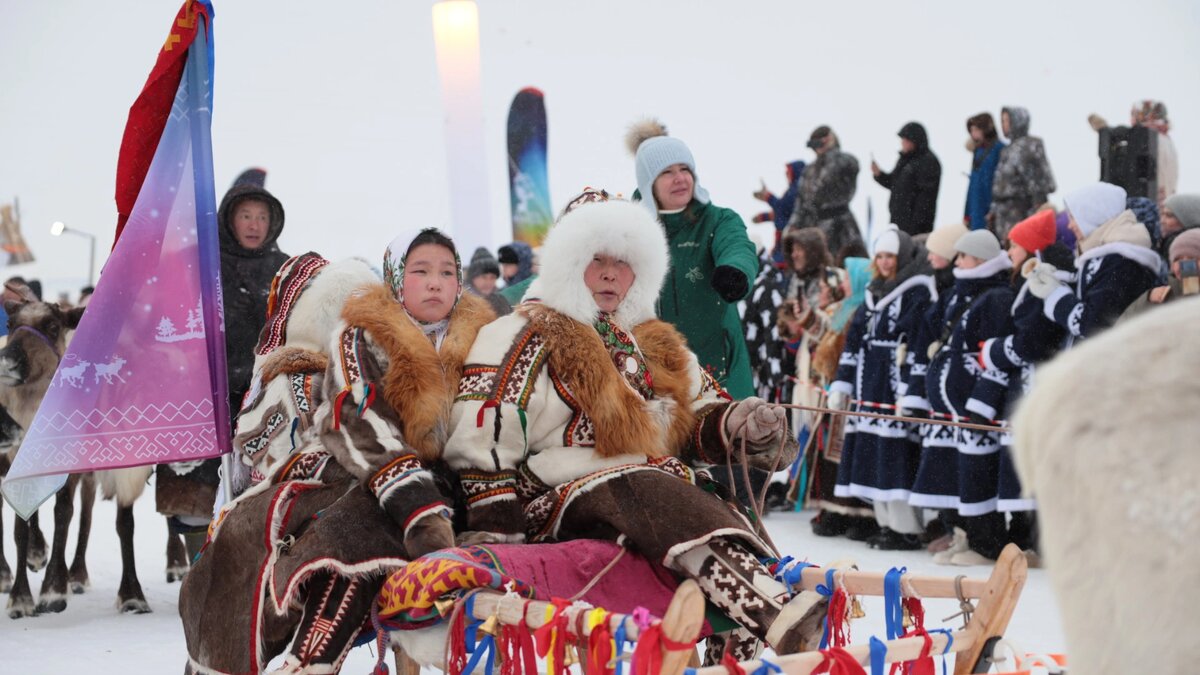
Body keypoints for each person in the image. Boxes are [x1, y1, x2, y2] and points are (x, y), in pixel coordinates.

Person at [441, 193, 827, 661]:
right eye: (596, 259)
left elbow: (699, 415)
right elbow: (483, 437)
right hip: (550, 497)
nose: (610, 273)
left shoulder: (652, 340)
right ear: (568, 259)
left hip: (654, 489)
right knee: (642, 485)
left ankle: (736, 655)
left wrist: (741, 424)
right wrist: (495, 528)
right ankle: (772, 608)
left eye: (623, 262)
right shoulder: (522, 333)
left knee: (713, 502)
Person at [179, 228, 496, 674]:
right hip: (358, 472)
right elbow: (357, 416)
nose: (435, 282)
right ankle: (299, 657)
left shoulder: (487, 340)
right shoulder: (361, 335)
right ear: (395, 279)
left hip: (456, 489)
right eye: (420, 270)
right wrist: (417, 506)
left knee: (359, 526)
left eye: (447, 272)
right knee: (306, 530)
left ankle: (312, 658)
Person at [157, 177, 290, 557]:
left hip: (265, 397)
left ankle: (252, 563)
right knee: (198, 489)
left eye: (261, 217)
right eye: (245, 216)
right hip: (206, 392)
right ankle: (204, 563)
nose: (254, 224)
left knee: (261, 485)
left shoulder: (285, 270)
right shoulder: (202, 265)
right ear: (229, 221)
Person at [627, 119, 759, 398]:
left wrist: (734, 270)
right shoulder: (629, 228)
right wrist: (516, 296)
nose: (680, 178)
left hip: (718, 372)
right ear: (648, 183)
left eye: (685, 169)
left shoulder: (717, 220)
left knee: (724, 440)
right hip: (655, 375)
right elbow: (579, 261)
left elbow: (737, 245)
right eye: (667, 172)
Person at [905, 230, 1015, 565]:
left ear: (980, 260)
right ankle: (960, 534)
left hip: (971, 411)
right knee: (947, 473)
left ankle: (985, 543)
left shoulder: (996, 298)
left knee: (975, 474)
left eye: (964, 257)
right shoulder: (957, 293)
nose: (957, 262)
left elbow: (995, 357)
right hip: (948, 412)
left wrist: (981, 402)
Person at [974, 210, 1075, 557]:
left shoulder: (1043, 283)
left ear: (1032, 250)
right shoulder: (1035, 281)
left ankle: (1032, 538)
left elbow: (1034, 339)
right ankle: (1026, 535)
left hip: (1038, 383)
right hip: (1031, 382)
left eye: (1014, 245)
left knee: (1030, 461)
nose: (1009, 251)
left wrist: (996, 351)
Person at [830, 224, 936, 548]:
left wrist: (912, 389)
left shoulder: (918, 291)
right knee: (873, 453)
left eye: (891, 256)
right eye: (880, 256)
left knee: (896, 454)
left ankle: (906, 527)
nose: (886, 262)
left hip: (894, 383)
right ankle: (885, 522)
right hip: (868, 384)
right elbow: (855, 339)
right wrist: (842, 383)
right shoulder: (873, 292)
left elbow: (920, 341)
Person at [781, 256, 875, 537]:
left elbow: (837, 345)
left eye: (848, 277)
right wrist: (807, 317)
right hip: (832, 393)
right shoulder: (843, 308)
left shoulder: (862, 309)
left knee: (847, 454)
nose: (844, 282)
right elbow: (824, 335)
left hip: (850, 392)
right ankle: (835, 510)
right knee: (829, 454)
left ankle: (858, 514)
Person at [1026, 182, 1160, 346]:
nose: (1070, 225)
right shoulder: (1109, 258)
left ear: (1093, 214)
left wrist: (1055, 295)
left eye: (1074, 217)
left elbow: (1094, 325)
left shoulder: (1119, 262)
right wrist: (1057, 281)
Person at [785, 126, 863, 255]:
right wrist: (794, 224)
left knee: (847, 265)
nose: (817, 149)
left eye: (819, 143)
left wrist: (831, 149)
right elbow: (801, 201)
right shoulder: (809, 170)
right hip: (814, 227)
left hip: (841, 227)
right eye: (814, 145)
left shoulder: (845, 160)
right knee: (817, 267)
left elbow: (844, 167)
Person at [1089, 100, 1178, 207]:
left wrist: (1105, 131)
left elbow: (1129, 167)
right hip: (1163, 202)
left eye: (1138, 114)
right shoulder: (1165, 139)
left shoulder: (1149, 139)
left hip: (1149, 202)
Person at [989, 107, 1056, 242]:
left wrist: (1037, 213)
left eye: (1007, 120)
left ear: (1017, 121)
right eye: (1002, 121)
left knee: (1020, 248)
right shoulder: (1009, 149)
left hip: (1020, 212)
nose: (1004, 125)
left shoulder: (1028, 146)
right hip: (1004, 215)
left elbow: (1038, 184)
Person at [871, 122, 941, 237]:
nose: (902, 143)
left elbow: (926, 200)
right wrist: (879, 174)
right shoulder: (905, 159)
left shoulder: (928, 162)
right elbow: (894, 183)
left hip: (916, 228)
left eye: (906, 140)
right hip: (898, 222)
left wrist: (915, 226)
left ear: (915, 141)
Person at [1122, 228, 1200, 319]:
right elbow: (1122, 326)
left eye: (1193, 257)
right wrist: (1147, 300)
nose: (1185, 264)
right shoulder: (1164, 295)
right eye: (1177, 259)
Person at [752, 159, 806, 267]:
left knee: (780, 267)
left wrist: (768, 196)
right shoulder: (795, 189)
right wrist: (765, 217)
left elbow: (782, 209)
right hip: (784, 239)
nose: (786, 175)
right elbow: (785, 214)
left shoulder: (796, 190)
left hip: (788, 240)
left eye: (788, 172)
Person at [964, 113, 1005, 231]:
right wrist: (966, 214)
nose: (973, 134)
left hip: (990, 210)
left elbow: (1000, 184)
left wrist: (994, 210)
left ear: (986, 129)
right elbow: (972, 185)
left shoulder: (999, 149)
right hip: (976, 209)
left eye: (976, 129)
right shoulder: (978, 151)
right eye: (971, 130)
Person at [465, 246, 512, 316]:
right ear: (473, 277)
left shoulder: (503, 301)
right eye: (484, 277)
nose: (488, 282)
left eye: (492, 277)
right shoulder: (462, 303)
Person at [925, 222, 968, 292]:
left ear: (949, 255)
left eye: (933, 252)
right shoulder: (937, 279)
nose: (929, 258)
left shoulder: (963, 288)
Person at [497, 240, 536, 305]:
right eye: (503, 265)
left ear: (522, 265)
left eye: (508, 265)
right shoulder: (502, 292)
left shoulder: (533, 290)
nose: (503, 269)